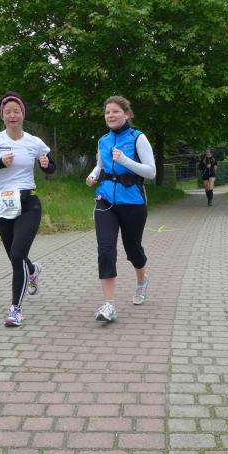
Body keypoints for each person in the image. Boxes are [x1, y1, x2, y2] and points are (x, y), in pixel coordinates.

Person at [0, 91, 55, 327]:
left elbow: (51, 167)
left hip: (29, 203)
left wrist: (46, 165)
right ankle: (32, 270)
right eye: (8, 112)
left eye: (16, 111)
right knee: (15, 257)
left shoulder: (34, 142)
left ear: (23, 115)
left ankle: (15, 310)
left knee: (17, 254)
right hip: (4, 204)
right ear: (2, 116)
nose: (12, 115)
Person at [86, 96, 156, 323]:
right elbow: (100, 166)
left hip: (133, 203)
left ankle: (142, 280)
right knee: (106, 250)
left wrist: (125, 160)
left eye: (115, 111)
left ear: (126, 114)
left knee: (133, 250)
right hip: (105, 200)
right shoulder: (103, 140)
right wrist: (93, 175)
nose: (110, 115)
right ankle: (109, 305)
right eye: (107, 112)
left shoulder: (138, 138)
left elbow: (151, 172)